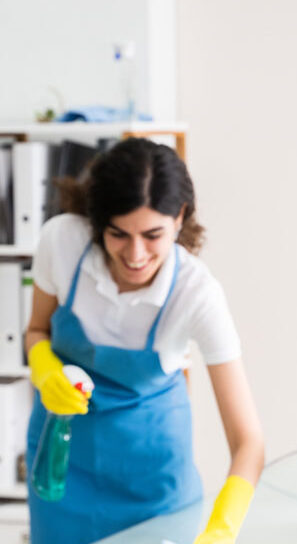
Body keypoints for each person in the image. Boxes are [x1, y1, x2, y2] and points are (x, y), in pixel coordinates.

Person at [25, 138, 264, 544]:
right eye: (118, 233)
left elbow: (249, 442)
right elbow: (37, 331)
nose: (135, 254)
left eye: (153, 234)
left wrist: (222, 530)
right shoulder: (61, 242)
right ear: (98, 221)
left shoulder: (196, 294)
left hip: (152, 485)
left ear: (179, 217)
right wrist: (47, 373)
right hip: (63, 470)